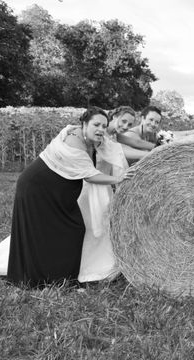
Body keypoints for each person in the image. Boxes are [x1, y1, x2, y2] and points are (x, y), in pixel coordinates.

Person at [5, 106, 135, 288]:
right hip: (38, 188)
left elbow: (114, 148)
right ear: (84, 124)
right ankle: (47, 278)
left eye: (104, 126)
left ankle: (57, 277)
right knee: (62, 230)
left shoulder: (86, 137)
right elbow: (90, 175)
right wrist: (118, 179)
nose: (101, 129)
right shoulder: (75, 142)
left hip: (55, 192)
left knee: (58, 231)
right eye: (96, 124)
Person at [76, 106, 147, 283]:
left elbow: (136, 144)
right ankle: (87, 266)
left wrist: (158, 148)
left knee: (104, 225)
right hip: (91, 185)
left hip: (104, 188)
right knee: (90, 225)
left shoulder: (114, 137)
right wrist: (152, 153)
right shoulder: (99, 136)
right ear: (113, 117)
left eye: (130, 124)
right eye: (123, 121)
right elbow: (124, 151)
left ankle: (103, 264)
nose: (125, 126)